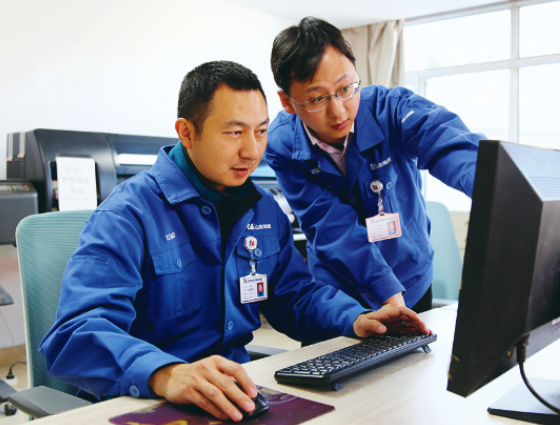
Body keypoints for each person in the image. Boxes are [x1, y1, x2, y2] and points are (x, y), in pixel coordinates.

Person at [40, 60, 429, 423]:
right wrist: (166, 373)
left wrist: (355, 318)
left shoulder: (263, 210)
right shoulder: (127, 215)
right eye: (234, 132)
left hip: (236, 397)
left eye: (260, 131)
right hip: (147, 400)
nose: (252, 151)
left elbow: (294, 296)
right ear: (187, 132)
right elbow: (74, 334)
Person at [266, 17, 483, 315]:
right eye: (317, 99)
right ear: (288, 102)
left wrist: (495, 189)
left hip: (410, 276)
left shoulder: (391, 108)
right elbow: (329, 224)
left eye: (346, 88)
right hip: (339, 291)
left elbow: (448, 144)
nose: (338, 111)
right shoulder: (282, 144)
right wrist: (385, 290)